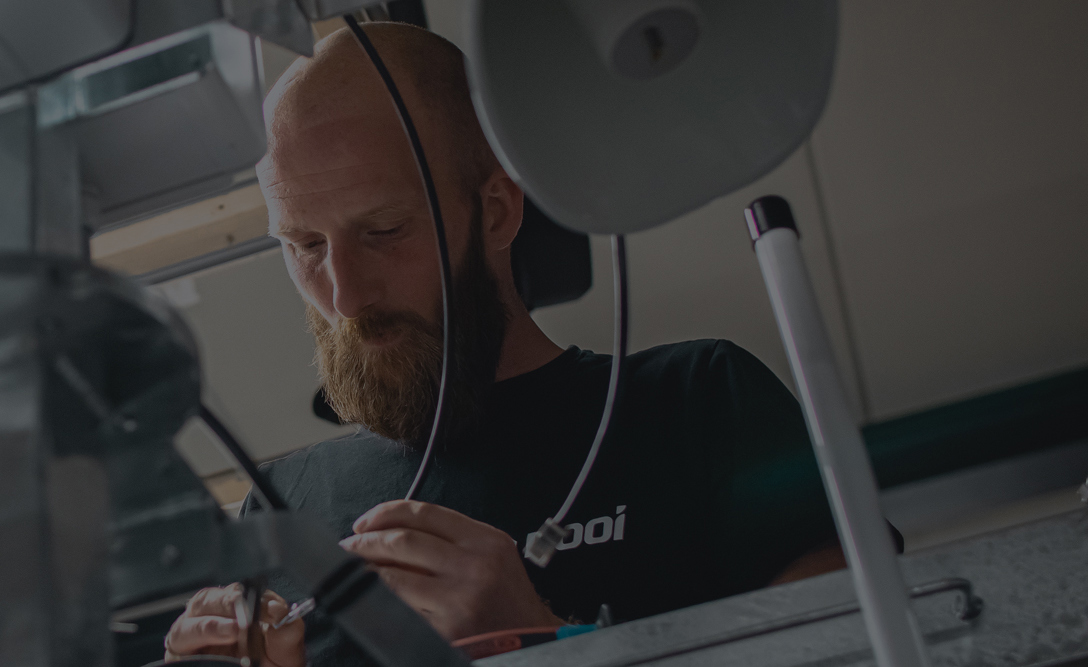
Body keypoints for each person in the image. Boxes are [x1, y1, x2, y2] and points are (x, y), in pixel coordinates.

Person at [163, 22, 858, 667]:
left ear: (494, 211)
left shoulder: (699, 406)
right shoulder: (278, 507)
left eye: (384, 232)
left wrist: (551, 643)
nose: (344, 295)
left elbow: (874, 641)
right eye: (306, 245)